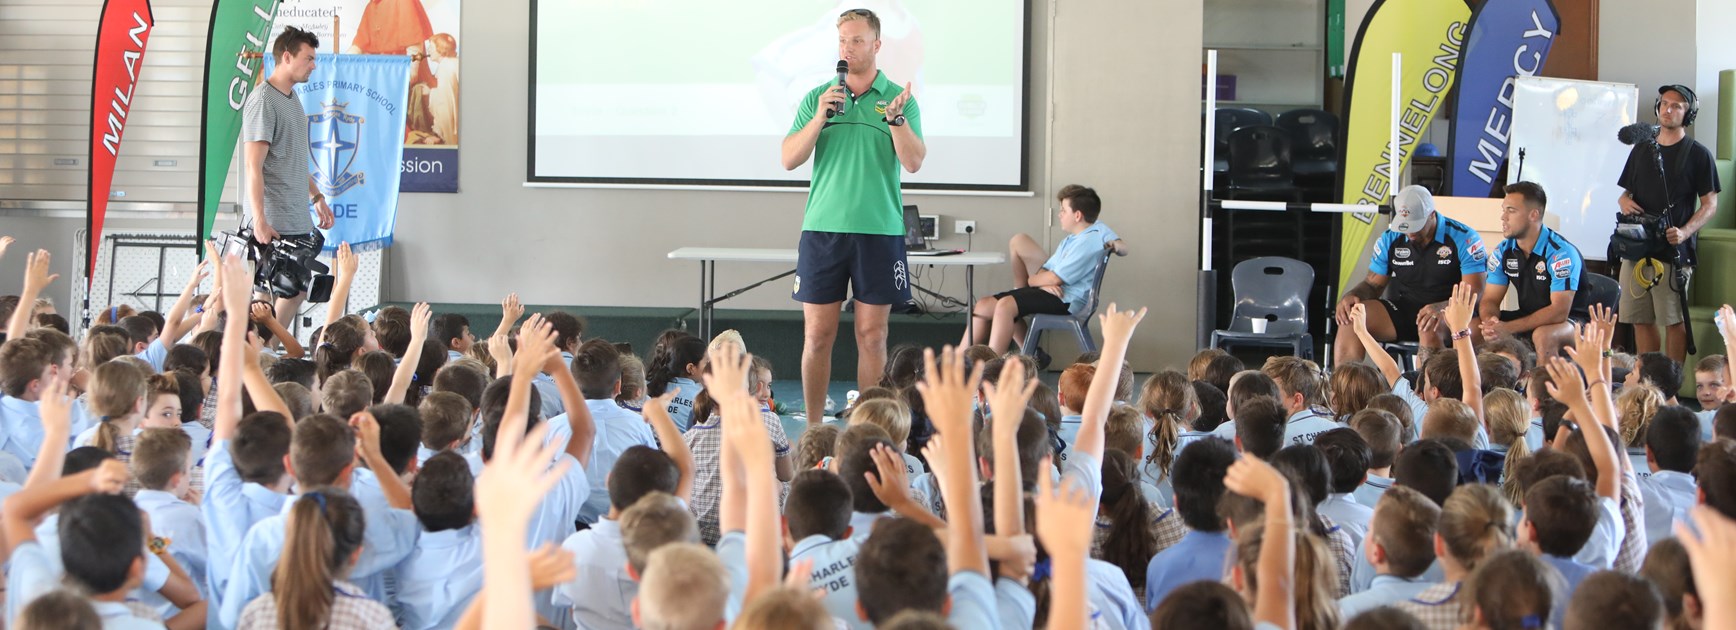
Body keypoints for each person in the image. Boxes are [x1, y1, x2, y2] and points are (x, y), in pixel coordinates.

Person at [781, 8, 925, 423]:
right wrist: (820, 117)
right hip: (823, 231)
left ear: (877, 45)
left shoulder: (899, 98)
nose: (847, 48)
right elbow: (789, 158)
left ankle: (871, 428)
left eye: (857, 40)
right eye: (843, 40)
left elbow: (913, 162)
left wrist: (896, 120)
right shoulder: (818, 97)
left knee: (872, 336)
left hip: (879, 232)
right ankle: (812, 428)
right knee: (818, 336)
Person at [1615, 85, 1722, 362]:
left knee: (1674, 321)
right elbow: (1625, 193)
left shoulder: (1698, 154)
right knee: (1639, 318)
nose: (1668, 109)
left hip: (1674, 250)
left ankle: (1671, 384)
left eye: (1677, 106)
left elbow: (1710, 204)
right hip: (1637, 246)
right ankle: (1650, 381)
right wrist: (1623, 201)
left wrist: (1685, 231)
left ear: (1688, 114)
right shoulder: (1641, 149)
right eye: (1664, 103)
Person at [242, 27, 337, 333]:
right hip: (274, 221)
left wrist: (317, 197)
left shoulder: (292, 99)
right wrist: (259, 220)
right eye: (308, 58)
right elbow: (252, 166)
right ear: (286, 57)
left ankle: (265, 351)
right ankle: (261, 354)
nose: (313, 65)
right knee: (270, 295)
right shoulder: (263, 101)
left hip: (297, 219)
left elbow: (293, 160)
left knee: (294, 291)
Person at [1333, 185, 1488, 364]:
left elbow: (1474, 290)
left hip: (1450, 311)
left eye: (1416, 225)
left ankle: (1427, 388)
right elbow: (1372, 285)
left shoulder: (1464, 237)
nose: (1410, 232)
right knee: (1352, 317)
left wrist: (1442, 308)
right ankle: (1344, 387)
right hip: (1407, 308)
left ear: (1432, 215)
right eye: (1405, 226)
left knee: (1429, 324)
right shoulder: (1390, 239)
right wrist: (1353, 295)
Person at [971, 185, 1123, 354]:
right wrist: (1040, 282)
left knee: (1006, 305)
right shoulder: (1071, 240)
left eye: (1063, 211)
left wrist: (1034, 281)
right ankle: (963, 358)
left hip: (1066, 299)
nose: (1059, 215)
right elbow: (1045, 272)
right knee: (984, 305)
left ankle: (993, 367)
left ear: (1077, 215)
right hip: (1053, 292)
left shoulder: (1089, 240)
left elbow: (1053, 279)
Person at [1478, 181, 1584, 360]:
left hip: (1572, 322)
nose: (1503, 217)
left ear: (1533, 215)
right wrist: (1490, 322)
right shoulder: (1503, 250)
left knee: (1542, 335)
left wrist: (1508, 328)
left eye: (1511, 211)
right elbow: (1489, 299)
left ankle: (1541, 388)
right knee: (1472, 328)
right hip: (1530, 316)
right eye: (1504, 210)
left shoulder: (1561, 252)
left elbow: (1559, 311)